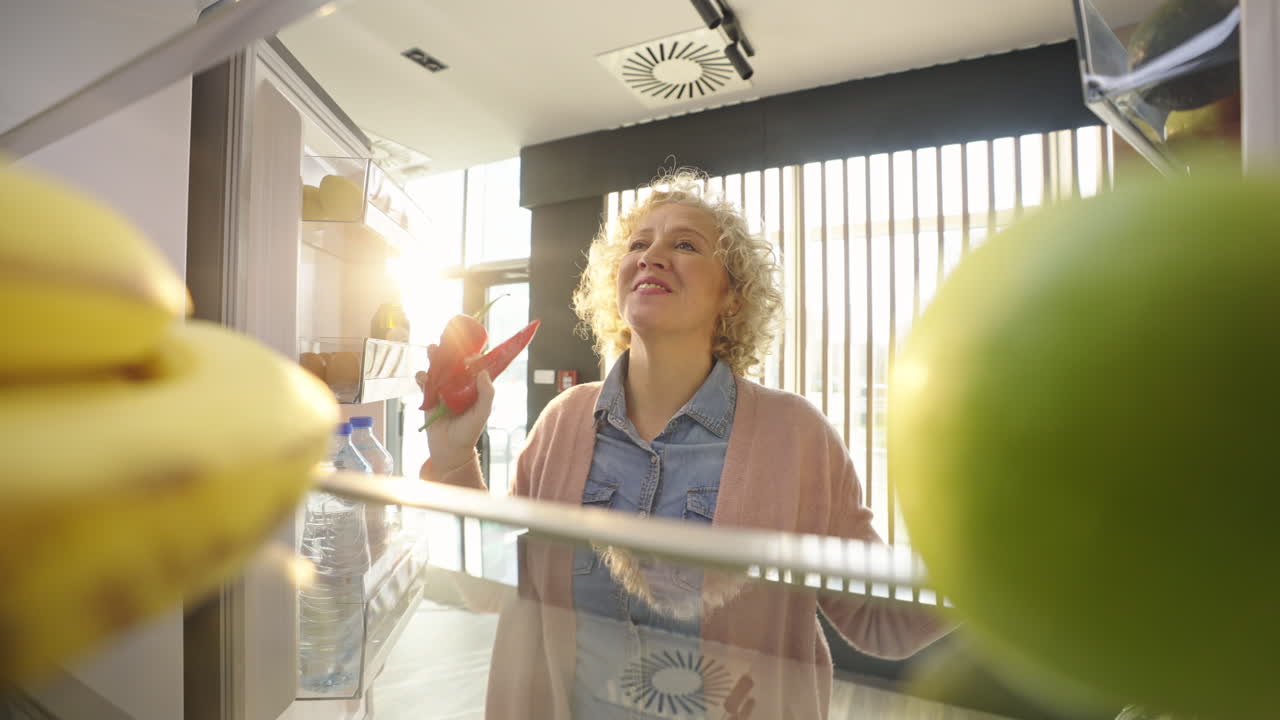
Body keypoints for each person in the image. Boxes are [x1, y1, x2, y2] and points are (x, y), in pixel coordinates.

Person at [420, 169, 952, 719]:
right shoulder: (563, 422)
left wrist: (989, 558)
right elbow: (490, 589)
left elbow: (877, 620)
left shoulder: (796, 436)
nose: (652, 256)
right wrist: (454, 456)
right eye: (638, 244)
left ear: (731, 295)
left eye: (684, 244)